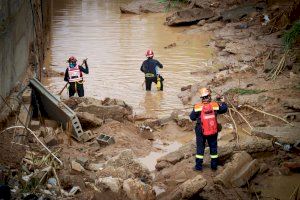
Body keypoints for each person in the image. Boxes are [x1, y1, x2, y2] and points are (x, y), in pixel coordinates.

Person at [189, 87, 228, 171]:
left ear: (202, 98)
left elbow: (192, 117)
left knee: (200, 148)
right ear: (209, 97)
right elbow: (224, 109)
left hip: (200, 130)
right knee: (213, 148)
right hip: (213, 129)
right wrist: (224, 102)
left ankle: (198, 167)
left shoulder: (197, 106)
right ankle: (214, 166)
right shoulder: (215, 105)